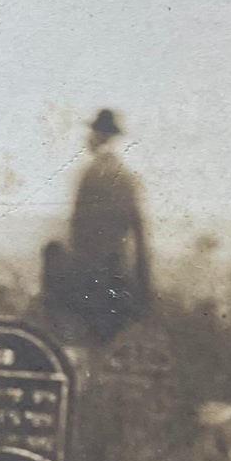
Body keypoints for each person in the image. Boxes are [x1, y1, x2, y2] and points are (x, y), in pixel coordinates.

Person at [43, 108, 151, 335]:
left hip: (89, 275)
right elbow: (139, 232)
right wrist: (143, 283)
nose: (88, 139)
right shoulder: (127, 177)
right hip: (118, 273)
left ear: (99, 136)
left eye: (92, 133)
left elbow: (77, 228)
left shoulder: (90, 175)